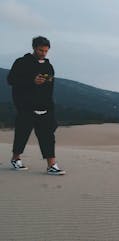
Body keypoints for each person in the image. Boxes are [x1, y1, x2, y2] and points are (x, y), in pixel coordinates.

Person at [7, 36, 65, 175]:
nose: (44, 53)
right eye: (41, 50)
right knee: (22, 134)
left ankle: (51, 165)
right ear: (34, 47)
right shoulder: (21, 62)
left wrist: (51, 108)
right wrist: (32, 81)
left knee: (48, 137)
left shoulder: (48, 66)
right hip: (25, 106)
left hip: (45, 107)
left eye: (46, 51)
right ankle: (15, 159)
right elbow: (11, 80)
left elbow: (50, 88)